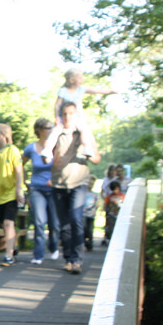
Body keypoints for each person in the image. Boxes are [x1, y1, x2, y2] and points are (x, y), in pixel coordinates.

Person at [51, 101, 102, 275]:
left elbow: (97, 159)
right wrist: (50, 158)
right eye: (64, 114)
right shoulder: (56, 132)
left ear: (76, 115)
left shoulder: (85, 133)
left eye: (71, 114)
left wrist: (90, 155)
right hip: (59, 183)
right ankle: (68, 259)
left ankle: (77, 260)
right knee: (64, 224)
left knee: (76, 218)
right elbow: (46, 156)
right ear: (61, 115)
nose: (67, 117)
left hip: (79, 182)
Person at [41, 68, 117, 162]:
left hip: (77, 117)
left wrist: (110, 91)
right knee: (55, 131)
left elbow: (95, 90)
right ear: (72, 80)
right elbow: (57, 105)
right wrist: (57, 118)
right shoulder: (63, 91)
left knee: (84, 130)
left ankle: (87, 147)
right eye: (80, 78)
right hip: (63, 118)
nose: (82, 80)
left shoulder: (81, 89)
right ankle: (48, 150)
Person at [22, 118, 60, 265]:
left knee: (54, 223)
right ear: (39, 130)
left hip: (53, 189)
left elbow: (62, 165)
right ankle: (38, 255)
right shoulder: (31, 148)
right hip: (37, 188)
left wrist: (55, 179)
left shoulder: (56, 146)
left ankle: (54, 246)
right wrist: (25, 183)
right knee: (39, 221)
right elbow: (19, 164)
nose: (50, 130)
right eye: (47, 128)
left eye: (51, 128)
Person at [0, 123, 25, 267]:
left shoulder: (13, 150)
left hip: (12, 193)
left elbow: (19, 171)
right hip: (0, 194)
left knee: (8, 222)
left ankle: (9, 255)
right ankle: (14, 246)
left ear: (3, 135)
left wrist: (18, 190)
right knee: (3, 223)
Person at [103, 180, 125, 246]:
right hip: (111, 215)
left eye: (117, 189)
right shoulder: (109, 196)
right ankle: (111, 240)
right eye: (114, 189)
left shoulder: (123, 196)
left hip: (120, 215)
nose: (115, 191)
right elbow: (106, 204)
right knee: (111, 228)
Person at [83, 175, 99, 252]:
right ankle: (84, 241)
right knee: (84, 228)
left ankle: (89, 243)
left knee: (90, 230)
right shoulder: (83, 193)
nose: (90, 185)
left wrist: (96, 206)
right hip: (83, 214)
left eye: (92, 183)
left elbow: (99, 202)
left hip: (91, 214)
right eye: (89, 183)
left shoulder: (94, 194)